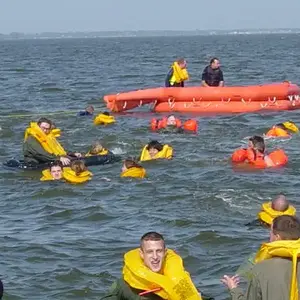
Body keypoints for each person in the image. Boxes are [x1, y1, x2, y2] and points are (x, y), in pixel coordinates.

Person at [102, 232, 202, 300]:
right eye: (150, 252)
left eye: (159, 251)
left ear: (165, 252)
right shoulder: (124, 285)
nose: (155, 257)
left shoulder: (179, 280)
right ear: (141, 254)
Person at [222, 215, 300, 300]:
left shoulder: (262, 268)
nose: (269, 235)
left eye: (271, 231)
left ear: (277, 237)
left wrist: (233, 289)